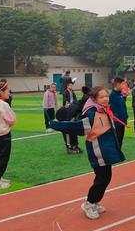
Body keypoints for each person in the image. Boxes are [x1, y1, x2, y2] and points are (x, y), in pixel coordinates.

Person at [50, 87, 125, 220]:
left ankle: (94, 202)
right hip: (98, 151)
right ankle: (89, 203)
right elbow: (77, 127)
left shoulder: (103, 110)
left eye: (106, 96)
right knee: (102, 179)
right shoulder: (92, 113)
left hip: (105, 151)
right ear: (95, 99)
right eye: (102, 97)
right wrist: (56, 125)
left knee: (105, 178)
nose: (106, 98)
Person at [109, 77, 129, 152]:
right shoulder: (112, 95)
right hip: (117, 122)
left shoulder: (120, 94)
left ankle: (118, 152)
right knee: (117, 138)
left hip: (122, 120)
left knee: (120, 138)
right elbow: (113, 109)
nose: (124, 86)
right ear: (117, 84)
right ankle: (115, 153)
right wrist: (117, 119)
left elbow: (122, 106)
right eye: (122, 84)